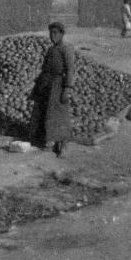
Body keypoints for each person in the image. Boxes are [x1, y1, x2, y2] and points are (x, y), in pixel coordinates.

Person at [30, 22, 76, 158]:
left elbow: (70, 70)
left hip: (59, 84)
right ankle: (51, 142)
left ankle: (63, 146)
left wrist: (67, 88)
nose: (52, 35)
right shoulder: (51, 50)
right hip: (48, 84)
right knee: (48, 114)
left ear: (62, 34)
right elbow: (45, 68)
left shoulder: (66, 49)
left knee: (60, 114)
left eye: (55, 33)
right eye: (51, 33)